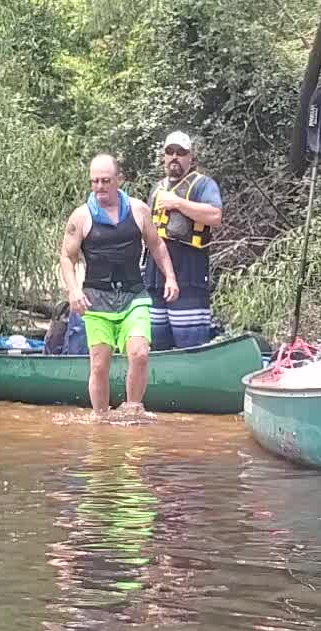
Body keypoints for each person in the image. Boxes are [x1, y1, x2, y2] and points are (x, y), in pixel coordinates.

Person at [61, 154, 178, 418]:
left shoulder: (138, 210)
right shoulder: (81, 216)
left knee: (139, 354)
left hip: (133, 294)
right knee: (100, 364)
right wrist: (73, 290)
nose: (100, 187)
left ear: (119, 180)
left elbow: (157, 245)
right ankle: (100, 417)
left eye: (105, 181)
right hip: (96, 298)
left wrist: (170, 277)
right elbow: (67, 257)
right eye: (94, 182)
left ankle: (134, 409)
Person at [145, 130, 223, 350]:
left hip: (189, 274)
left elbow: (215, 216)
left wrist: (178, 203)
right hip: (154, 277)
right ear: (164, 156)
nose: (174, 157)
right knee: (154, 343)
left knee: (190, 345)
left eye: (181, 152)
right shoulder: (157, 188)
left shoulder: (203, 185)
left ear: (190, 157)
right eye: (170, 152)